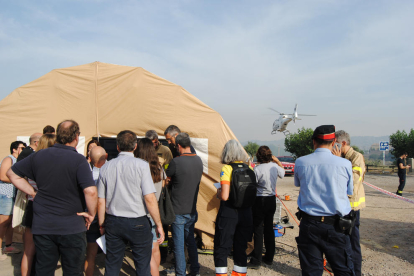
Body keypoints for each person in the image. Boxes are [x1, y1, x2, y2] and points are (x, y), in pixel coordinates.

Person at [7, 120, 98, 276]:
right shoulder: (79, 160)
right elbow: (90, 191)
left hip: (44, 225)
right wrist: (91, 214)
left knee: (44, 269)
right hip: (72, 226)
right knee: (72, 271)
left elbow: (12, 173)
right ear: (76, 136)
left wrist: (33, 192)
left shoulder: (39, 155)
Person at [97, 130, 164, 276]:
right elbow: (150, 198)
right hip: (138, 222)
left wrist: (101, 224)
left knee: (112, 265)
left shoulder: (106, 167)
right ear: (135, 146)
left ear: (117, 147)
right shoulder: (141, 166)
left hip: (113, 221)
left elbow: (101, 201)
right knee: (142, 265)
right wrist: (159, 224)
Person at [295, 125, 354, 276]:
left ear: (314, 141)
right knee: (343, 269)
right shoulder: (345, 164)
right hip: (336, 226)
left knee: (311, 271)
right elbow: (349, 191)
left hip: (309, 224)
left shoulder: (301, 162)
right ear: (334, 142)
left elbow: (298, 184)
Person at [165, 133, 203, 276]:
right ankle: (195, 271)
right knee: (190, 242)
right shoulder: (199, 161)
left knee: (179, 246)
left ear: (179, 146)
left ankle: (180, 273)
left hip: (178, 210)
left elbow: (167, 180)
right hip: (192, 210)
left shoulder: (176, 162)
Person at [214, 139, 252, 276]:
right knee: (241, 247)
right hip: (246, 212)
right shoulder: (250, 168)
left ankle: (222, 274)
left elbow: (224, 196)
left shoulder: (227, 169)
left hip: (229, 212)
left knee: (222, 245)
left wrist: (218, 193)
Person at [21, 133, 56, 276]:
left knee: (28, 250)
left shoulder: (32, 160)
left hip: (32, 205)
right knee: (46, 250)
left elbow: (14, 174)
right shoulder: (53, 163)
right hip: (48, 208)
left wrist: (31, 192)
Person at [333, 130, 366, 276]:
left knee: (353, 244)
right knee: (340, 242)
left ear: (343, 143)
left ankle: (356, 272)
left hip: (352, 209)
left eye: (336, 144)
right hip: (341, 207)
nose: (334, 147)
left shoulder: (356, 158)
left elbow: (350, 183)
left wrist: (338, 161)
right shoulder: (344, 157)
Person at [248, 146, 285, 269]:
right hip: (271, 199)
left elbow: (253, 185)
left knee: (258, 230)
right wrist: (277, 161)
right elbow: (283, 174)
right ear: (270, 155)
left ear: (258, 156)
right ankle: (269, 257)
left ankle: (256, 260)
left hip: (259, 199)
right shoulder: (274, 167)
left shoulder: (257, 169)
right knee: (269, 228)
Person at [134, 138, 166, 276]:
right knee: (155, 248)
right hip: (155, 212)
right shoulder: (159, 168)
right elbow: (163, 186)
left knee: (145, 252)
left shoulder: (140, 169)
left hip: (143, 213)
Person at [0, 141, 26, 260]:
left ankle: (8, 245)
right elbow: (2, 176)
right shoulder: (8, 159)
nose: (23, 149)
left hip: (13, 195)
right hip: (5, 194)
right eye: (21, 147)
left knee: (10, 222)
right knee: (4, 221)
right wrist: (18, 181)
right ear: (14, 149)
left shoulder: (19, 161)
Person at [84, 146, 107, 276]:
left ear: (90, 158)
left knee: (90, 255)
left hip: (91, 216)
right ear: (107, 156)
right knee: (113, 255)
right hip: (109, 218)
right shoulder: (112, 169)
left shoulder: (86, 171)